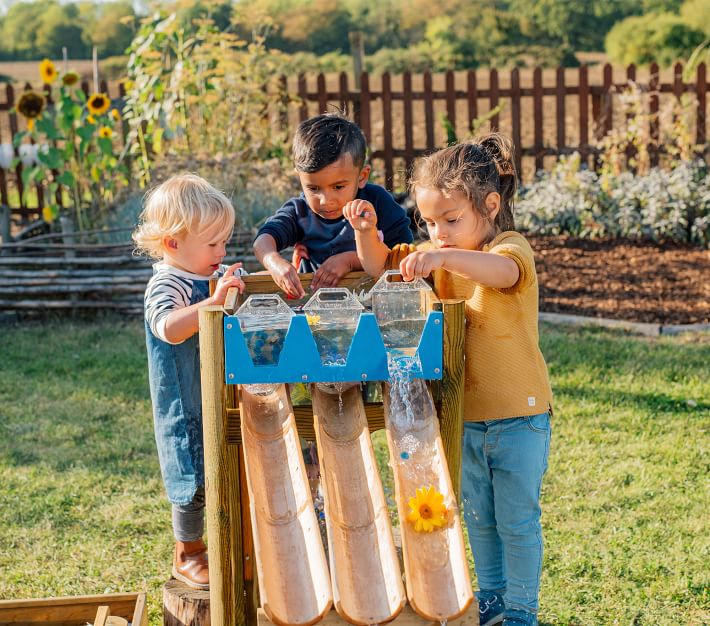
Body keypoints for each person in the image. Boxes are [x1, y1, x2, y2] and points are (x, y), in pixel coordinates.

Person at [344, 135, 553, 626]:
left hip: (520, 418)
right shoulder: (440, 254)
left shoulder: (507, 247)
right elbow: (380, 264)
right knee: (480, 518)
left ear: (491, 205)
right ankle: (494, 599)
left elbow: (502, 274)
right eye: (430, 223)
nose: (438, 234)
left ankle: (523, 612)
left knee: (517, 520)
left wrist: (442, 258)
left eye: (451, 220)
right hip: (465, 418)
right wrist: (366, 233)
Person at [132, 174, 246, 590]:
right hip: (183, 400)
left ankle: (227, 537)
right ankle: (189, 551)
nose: (222, 251)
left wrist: (227, 286)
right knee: (190, 474)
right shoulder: (165, 283)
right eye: (213, 244)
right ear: (174, 244)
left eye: (223, 242)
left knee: (220, 464)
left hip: (212, 392)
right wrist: (212, 302)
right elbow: (170, 328)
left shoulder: (202, 275)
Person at [253, 112, 413, 298]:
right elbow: (262, 241)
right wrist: (275, 263)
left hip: (374, 303)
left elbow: (403, 254)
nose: (325, 200)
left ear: (362, 177)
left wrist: (350, 261)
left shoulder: (376, 203)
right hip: (315, 306)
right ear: (300, 178)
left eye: (338, 187)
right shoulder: (300, 211)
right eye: (313, 188)